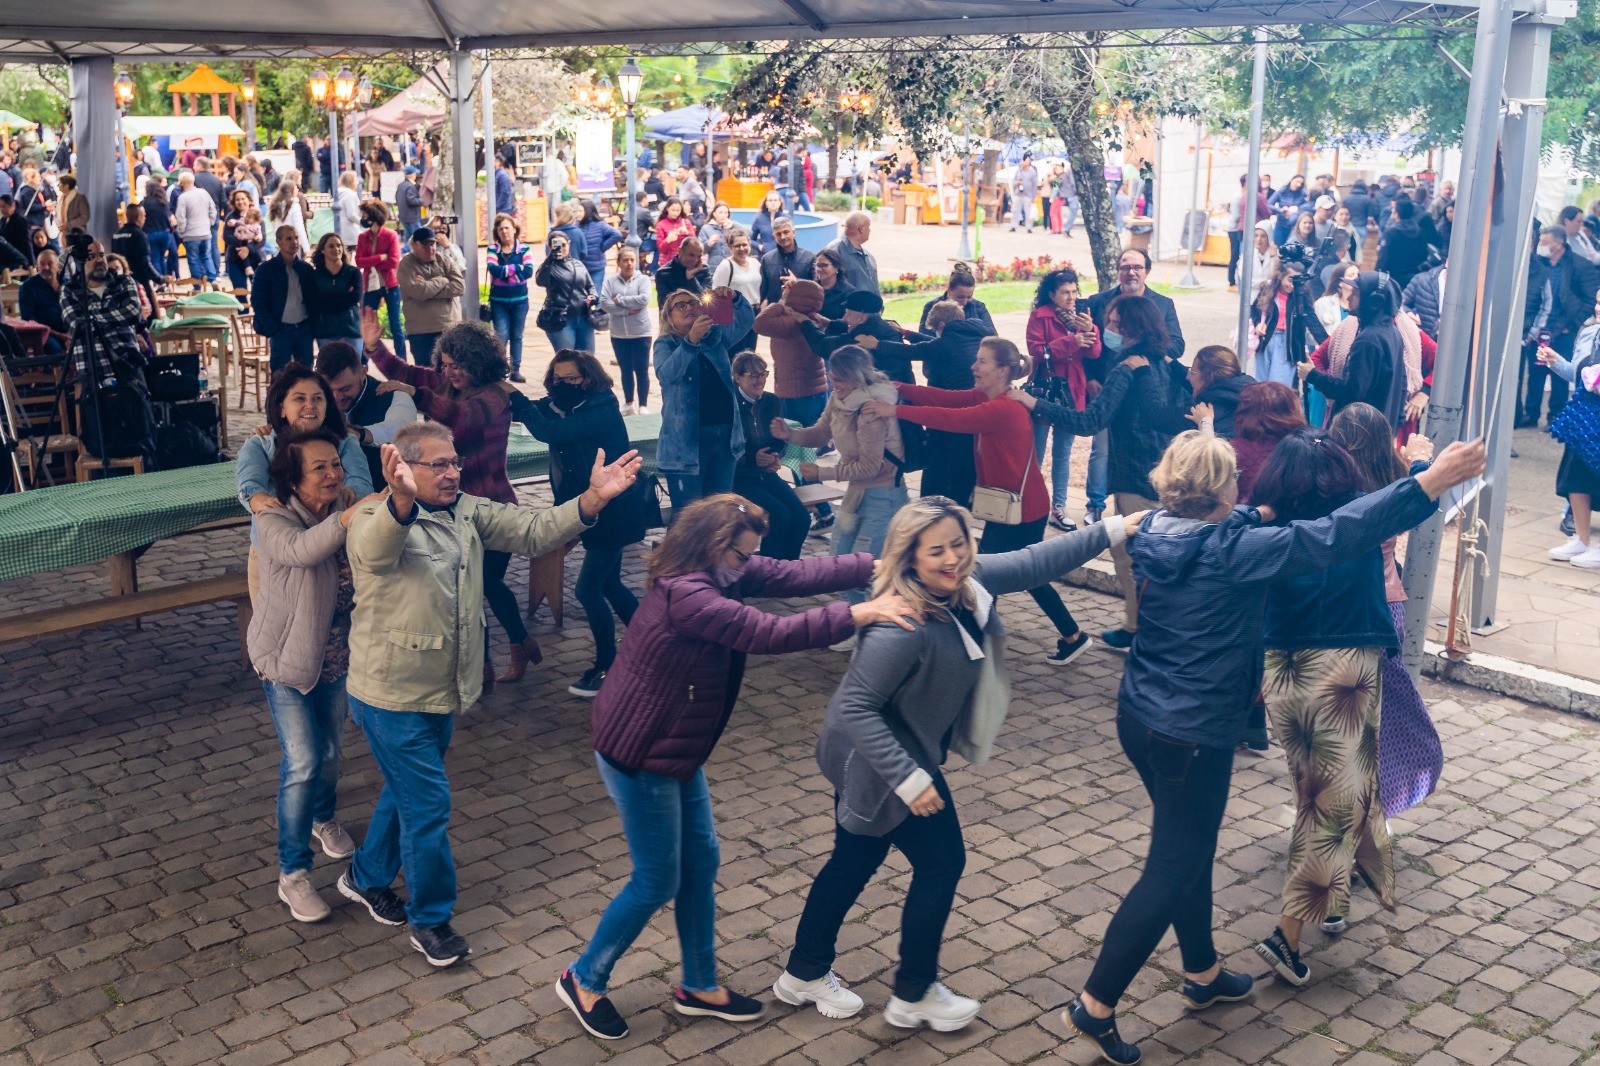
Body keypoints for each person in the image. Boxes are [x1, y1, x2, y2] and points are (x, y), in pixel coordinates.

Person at [1062, 432, 1487, 1066]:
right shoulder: (1238, 550)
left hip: (1139, 716)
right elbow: (1338, 532)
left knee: (1188, 848)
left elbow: (1242, 521)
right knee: (1172, 867)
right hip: (1192, 732)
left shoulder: (1156, 530)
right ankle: (1096, 1004)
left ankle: (1203, 973)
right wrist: (1428, 481)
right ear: (1222, 491)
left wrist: (1262, 509)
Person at [555, 494, 916, 1042]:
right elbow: (767, 633)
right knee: (657, 879)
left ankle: (699, 986)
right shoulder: (689, 595)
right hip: (641, 752)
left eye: (751, 555)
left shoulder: (722, 570)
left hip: (675, 748)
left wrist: (878, 566)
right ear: (711, 545)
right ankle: (582, 978)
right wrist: (858, 613)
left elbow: (795, 574)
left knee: (700, 863)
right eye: (742, 555)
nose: (749, 564)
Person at [777, 495, 1139, 1029]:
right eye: (936, 551)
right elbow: (855, 707)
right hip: (877, 765)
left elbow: (1035, 560)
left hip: (895, 758)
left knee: (854, 861)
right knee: (940, 862)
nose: (952, 558)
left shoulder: (967, 584)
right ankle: (913, 992)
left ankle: (805, 972)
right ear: (909, 558)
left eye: (959, 544)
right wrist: (907, 778)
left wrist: (1115, 527)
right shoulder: (901, 624)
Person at [341, 424, 640, 968]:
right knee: (427, 803)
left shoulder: (468, 511)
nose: (452, 472)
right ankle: (431, 920)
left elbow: (532, 530)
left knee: (407, 790)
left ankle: (364, 876)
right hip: (389, 694)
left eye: (455, 461)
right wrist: (400, 502)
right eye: (438, 464)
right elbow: (375, 553)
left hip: (442, 688)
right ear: (402, 468)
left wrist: (592, 499)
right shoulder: (372, 516)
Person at [1250, 428, 1417, 985]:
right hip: (1342, 671)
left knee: (1316, 794)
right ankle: (1288, 934)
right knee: (1333, 806)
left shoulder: (1270, 527)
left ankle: (1334, 900)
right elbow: (1412, 495)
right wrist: (1420, 464)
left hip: (1284, 669)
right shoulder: (1357, 520)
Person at [362, 314, 539, 683]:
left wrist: (417, 395)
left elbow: (462, 418)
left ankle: (498, 659)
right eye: (444, 365)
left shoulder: (496, 395)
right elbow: (407, 373)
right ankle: (501, 655)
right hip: (458, 507)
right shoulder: (446, 385)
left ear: (478, 361)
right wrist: (375, 349)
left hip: (493, 507)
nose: (449, 373)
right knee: (473, 587)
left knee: (481, 585)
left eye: (457, 366)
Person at [249, 428, 375, 923]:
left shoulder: (346, 504)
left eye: (335, 464)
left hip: (339, 660)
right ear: (293, 479)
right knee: (303, 760)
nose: (332, 473)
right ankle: (293, 874)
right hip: (286, 661)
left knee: (331, 751)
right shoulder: (273, 518)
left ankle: (323, 817)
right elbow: (302, 550)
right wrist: (349, 517)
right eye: (319, 467)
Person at [1039, 294, 1187, 652]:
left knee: (1133, 560)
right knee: (1142, 556)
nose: (1109, 330)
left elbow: (1091, 420)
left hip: (1137, 477)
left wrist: (1037, 404)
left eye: (1116, 324)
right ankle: (1139, 627)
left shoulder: (1129, 368)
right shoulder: (1163, 362)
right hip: (1165, 472)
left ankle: (1144, 633)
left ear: (1134, 328)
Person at [1328, 405, 1446, 827]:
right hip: (1384, 607)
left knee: (1342, 714)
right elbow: (1423, 500)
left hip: (1339, 608)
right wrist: (1419, 461)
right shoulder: (1393, 485)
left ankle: (1349, 806)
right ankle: (1377, 805)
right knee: (1382, 712)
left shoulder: (1330, 485)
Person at [508, 350, 647, 696]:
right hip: (595, 509)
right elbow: (543, 410)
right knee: (610, 584)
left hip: (614, 511)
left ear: (588, 378)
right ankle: (651, 646)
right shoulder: (566, 403)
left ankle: (607, 666)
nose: (563, 384)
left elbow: (551, 431)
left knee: (588, 589)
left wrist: (518, 400)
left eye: (571, 378)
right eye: (557, 378)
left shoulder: (601, 406)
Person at [236, 364, 375, 601]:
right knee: (272, 619)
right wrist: (259, 501)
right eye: (299, 398)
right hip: (274, 554)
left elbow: (360, 485)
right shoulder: (261, 444)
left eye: (318, 398)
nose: (310, 405)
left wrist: (350, 495)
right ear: (281, 408)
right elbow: (250, 485)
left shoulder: (345, 443)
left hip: (336, 551)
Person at [769, 345, 906, 576]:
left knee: (864, 571)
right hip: (857, 492)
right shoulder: (840, 399)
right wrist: (790, 434)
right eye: (832, 378)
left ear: (857, 377)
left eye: (840, 379)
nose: (834, 385)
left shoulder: (870, 409)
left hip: (883, 495)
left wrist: (822, 473)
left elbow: (869, 467)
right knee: (838, 562)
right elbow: (821, 433)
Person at [655, 287, 756, 511]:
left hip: (725, 437)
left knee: (719, 511)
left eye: (694, 303)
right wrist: (690, 341)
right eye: (680, 306)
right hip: (686, 445)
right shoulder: (665, 344)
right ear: (669, 318)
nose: (689, 308)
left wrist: (735, 298)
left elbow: (746, 321)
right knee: (688, 515)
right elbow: (667, 375)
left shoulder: (715, 336)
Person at [1026, 267, 1102, 529]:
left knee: (1063, 452)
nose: (1071, 297)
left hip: (1073, 388)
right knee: (1036, 449)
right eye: (1065, 292)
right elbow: (1036, 351)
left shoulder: (1082, 318)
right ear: (1051, 294)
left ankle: (1058, 507)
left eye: (1073, 292)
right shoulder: (1040, 316)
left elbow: (1094, 354)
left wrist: (1091, 331)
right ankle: (1030, 502)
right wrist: (1072, 342)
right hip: (1046, 387)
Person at [1297, 271, 1411, 428]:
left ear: (1373, 301)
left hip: (1358, 434)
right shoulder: (1391, 332)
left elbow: (1351, 392)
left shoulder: (1368, 340)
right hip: (1377, 431)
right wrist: (1396, 425)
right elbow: (1402, 384)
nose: (1349, 298)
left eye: (1355, 293)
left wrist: (1312, 375)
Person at [730, 352, 809, 561]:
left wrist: (775, 456)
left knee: (801, 517)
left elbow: (779, 438)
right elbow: (724, 448)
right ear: (737, 378)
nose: (760, 380)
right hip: (739, 478)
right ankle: (768, 569)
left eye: (763, 374)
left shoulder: (771, 400)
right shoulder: (730, 403)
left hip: (765, 473)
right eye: (753, 376)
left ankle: (787, 567)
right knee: (779, 515)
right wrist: (751, 459)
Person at [1539, 304, 1600, 568]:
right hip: (1584, 419)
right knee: (1575, 479)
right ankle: (1582, 540)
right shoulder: (1590, 333)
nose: (1598, 308)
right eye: (1598, 301)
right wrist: (1555, 361)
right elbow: (1577, 375)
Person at [316, 340, 419, 489]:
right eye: (329, 390)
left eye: (345, 389)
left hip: (385, 493)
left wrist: (359, 433)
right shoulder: (314, 399)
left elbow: (400, 429)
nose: (336, 397)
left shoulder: (395, 396)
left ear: (363, 373)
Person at [1523, 226, 1599, 427]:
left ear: (1558, 244)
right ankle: (1531, 413)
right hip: (1539, 328)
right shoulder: (1539, 264)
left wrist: (1571, 325)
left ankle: (1555, 415)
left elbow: (1590, 298)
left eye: (1544, 242)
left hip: (1565, 328)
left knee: (1561, 376)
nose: (1540, 246)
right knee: (1536, 372)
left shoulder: (1579, 265)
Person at [398, 227, 465, 368]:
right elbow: (419, 292)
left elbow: (459, 287)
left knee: (452, 373)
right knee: (426, 374)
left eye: (433, 244)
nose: (430, 248)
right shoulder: (406, 265)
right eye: (425, 245)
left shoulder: (444, 259)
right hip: (421, 332)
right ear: (414, 245)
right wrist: (442, 280)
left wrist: (428, 286)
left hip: (449, 327)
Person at [253, 227, 318, 373]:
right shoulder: (266, 269)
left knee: (306, 374)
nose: (294, 242)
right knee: (279, 375)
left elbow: (314, 300)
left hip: (304, 329)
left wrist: (312, 326)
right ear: (278, 241)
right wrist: (272, 327)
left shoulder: (305, 269)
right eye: (289, 238)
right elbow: (258, 301)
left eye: (296, 238)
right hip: (281, 330)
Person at [600, 245, 653, 414]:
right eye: (625, 260)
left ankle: (643, 405)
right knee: (626, 369)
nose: (629, 263)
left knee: (641, 369)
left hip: (641, 333)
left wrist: (619, 299)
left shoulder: (643, 280)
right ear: (618, 262)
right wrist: (625, 310)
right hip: (619, 334)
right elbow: (605, 303)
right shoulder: (610, 281)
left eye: (632, 260)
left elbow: (644, 300)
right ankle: (629, 402)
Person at [355, 201, 407, 363]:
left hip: (390, 285)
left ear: (373, 216)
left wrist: (371, 261)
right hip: (370, 286)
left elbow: (393, 261)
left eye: (365, 215)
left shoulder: (390, 235)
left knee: (395, 324)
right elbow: (359, 262)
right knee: (367, 324)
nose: (362, 218)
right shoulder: (363, 237)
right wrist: (380, 257)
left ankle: (402, 362)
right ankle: (363, 363)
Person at [485, 213, 534, 383]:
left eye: (507, 228)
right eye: (501, 229)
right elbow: (494, 270)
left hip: (520, 301)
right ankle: (500, 370)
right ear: (497, 232)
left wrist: (505, 274)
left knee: (517, 336)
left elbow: (529, 271)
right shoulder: (493, 249)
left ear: (514, 229)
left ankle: (515, 370)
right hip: (499, 302)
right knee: (501, 336)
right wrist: (517, 268)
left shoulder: (524, 249)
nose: (504, 231)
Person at [535, 231, 598, 354]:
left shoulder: (578, 264)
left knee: (588, 358)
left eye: (563, 245)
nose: (561, 248)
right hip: (562, 319)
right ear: (550, 247)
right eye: (556, 245)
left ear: (569, 244)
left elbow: (590, 286)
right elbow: (540, 281)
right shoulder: (549, 267)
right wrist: (550, 258)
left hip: (584, 318)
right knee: (567, 358)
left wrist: (593, 297)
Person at [307, 233, 362, 354]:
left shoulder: (353, 272)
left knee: (354, 365)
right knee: (329, 366)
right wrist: (344, 297)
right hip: (325, 331)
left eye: (339, 245)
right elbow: (313, 302)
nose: (336, 249)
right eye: (331, 246)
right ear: (322, 250)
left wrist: (326, 299)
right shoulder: (315, 276)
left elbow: (355, 297)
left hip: (351, 330)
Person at [1184, 345, 1254, 438]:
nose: (1187, 377)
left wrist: (1205, 423)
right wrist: (1171, 361)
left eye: (1192, 373)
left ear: (1207, 377)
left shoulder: (1207, 411)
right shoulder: (1242, 391)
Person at [1251, 264, 1302, 388]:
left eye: (1296, 281)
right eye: (1289, 280)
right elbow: (1254, 310)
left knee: (1278, 386)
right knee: (1260, 383)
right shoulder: (1268, 290)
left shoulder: (1300, 295)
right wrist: (1258, 324)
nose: (1292, 285)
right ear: (1280, 276)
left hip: (1287, 344)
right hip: (1266, 340)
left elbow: (1308, 321)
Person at [712, 229, 762, 351]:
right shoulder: (725, 266)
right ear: (730, 247)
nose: (742, 248)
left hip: (753, 315)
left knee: (750, 353)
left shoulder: (755, 263)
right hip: (735, 317)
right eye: (737, 246)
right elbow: (716, 296)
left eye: (744, 245)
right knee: (735, 353)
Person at [918, 262, 994, 335]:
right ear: (949, 289)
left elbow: (992, 336)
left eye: (969, 297)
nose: (964, 302)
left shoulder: (978, 307)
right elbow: (924, 336)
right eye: (960, 297)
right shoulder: (931, 307)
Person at [1375, 199, 1435, 289]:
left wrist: (1377, 276)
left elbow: (1383, 258)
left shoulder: (1391, 232)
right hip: (1414, 277)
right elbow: (1424, 255)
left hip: (1393, 278)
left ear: (1397, 214)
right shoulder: (1421, 232)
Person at [111, 202, 159, 311]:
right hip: (140, 282)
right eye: (144, 215)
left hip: (122, 283)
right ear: (138, 217)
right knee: (149, 313)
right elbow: (145, 262)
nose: (145, 218)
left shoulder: (116, 235)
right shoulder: (140, 235)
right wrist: (159, 278)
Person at [1227, 175, 1272, 291]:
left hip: (1241, 230)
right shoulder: (1258, 196)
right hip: (1254, 229)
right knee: (1251, 258)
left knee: (1242, 258)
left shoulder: (1244, 195)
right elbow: (1267, 213)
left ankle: (1237, 283)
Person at [758, 216, 816, 307]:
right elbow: (764, 291)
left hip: (801, 310)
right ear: (774, 237)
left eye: (786, 232)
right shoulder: (767, 260)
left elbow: (816, 289)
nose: (783, 237)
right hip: (776, 311)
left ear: (793, 232)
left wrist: (797, 283)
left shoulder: (809, 258)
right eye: (778, 234)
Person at [173, 171, 219, 284]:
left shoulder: (183, 197)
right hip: (205, 231)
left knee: (193, 259)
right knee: (206, 256)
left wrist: (181, 231)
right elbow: (213, 209)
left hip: (191, 234)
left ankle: (197, 283)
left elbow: (181, 217)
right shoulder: (203, 193)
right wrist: (210, 223)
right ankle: (212, 279)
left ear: (182, 183)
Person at [17, 248, 67, 351]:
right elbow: (28, 319)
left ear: (58, 266)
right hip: (44, 333)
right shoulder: (28, 287)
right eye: (42, 264)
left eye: (50, 263)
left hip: (70, 331)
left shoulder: (67, 284)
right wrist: (60, 335)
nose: (46, 267)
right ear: (37, 267)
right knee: (55, 349)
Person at [824, 211, 879, 294]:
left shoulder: (868, 256)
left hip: (870, 302)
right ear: (861, 228)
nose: (870, 230)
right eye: (868, 227)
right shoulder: (834, 251)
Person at [222, 189, 263, 291]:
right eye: (237, 200)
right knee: (240, 291)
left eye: (243, 199)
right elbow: (227, 237)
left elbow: (262, 238)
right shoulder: (231, 217)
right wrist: (243, 243)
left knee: (259, 290)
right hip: (234, 258)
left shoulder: (256, 215)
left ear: (249, 200)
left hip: (255, 257)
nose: (240, 202)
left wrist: (248, 248)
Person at [576, 199, 624, 287]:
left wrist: (602, 247)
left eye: (580, 211)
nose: (578, 214)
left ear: (587, 211)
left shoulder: (600, 225)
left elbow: (617, 235)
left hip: (596, 268)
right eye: (577, 211)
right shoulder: (576, 226)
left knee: (596, 293)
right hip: (580, 267)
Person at [654, 236, 712, 306]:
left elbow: (706, 302)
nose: (695, 260)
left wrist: (691, 279)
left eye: (699, 256)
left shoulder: (704, 270)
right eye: (691, 255)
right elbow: (664, 305)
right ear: (680, 251)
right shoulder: (663, 273)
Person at [267, 178, 311, 260]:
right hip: (292, 243)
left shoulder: (275, 205)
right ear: (291, 191)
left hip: (280, 242)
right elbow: (300, 229)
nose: (297, 190)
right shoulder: (294, 206)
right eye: (296, 188)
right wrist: (307, 250)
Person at [653, 197, 696, 270]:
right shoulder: (661, 224)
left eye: (678, 211)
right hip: (667, 263)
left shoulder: (686, 222)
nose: (676, 213)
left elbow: (695, 243)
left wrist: (687, 233)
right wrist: (667, 240)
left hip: (683, 262)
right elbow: (661, 249)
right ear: (667, 209)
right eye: (673, 210)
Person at [698, 200, 738, 274]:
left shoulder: (731, 228)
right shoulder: (706, 228)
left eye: (726, 213)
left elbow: (748, 234)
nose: (723, 215)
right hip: (713, 269)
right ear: (714, 214)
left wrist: (733, 224)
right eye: (720, 212)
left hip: (730, 267)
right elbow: (700, 250)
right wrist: (709, 242)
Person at [1268, 174, 1309, 246]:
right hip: (1281, 223)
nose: (1298, 185)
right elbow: (1269, 204)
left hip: (1294, 225)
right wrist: (1280, 210)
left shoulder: (1303, 194)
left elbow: (1306, 207)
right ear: (1292, 180)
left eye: (1301, 183)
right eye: (1297, 181)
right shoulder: (1282, 191)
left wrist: (1298, 209)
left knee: (1290, 245)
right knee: (1278, 246)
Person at [1010, 153, 1040, 233]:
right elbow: (1013, 182)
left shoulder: (1032, 172)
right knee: (1015, 210)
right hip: (1018, 193)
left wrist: (1033, 196)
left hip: (1028, 194)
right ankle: (1013, 226)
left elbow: (1034, 184)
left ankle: (1029, 227)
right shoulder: (1018, 171)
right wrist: (1017, 183)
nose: (1023, 162)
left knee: (1028, 211)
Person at [750, 190, 786, 258]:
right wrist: (759, 246)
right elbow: (751, 240)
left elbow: (791, 238)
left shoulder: (786, 218)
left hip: (782, 255)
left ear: (780, 203)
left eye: (775, 200)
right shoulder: (759, 219)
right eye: (770, 200)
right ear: (766, 203)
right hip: (765, 256)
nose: (773, 203)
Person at [395, 166, 425, 241]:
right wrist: (422, 200)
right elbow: (412, 201)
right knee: (418, 237)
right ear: (412, 175)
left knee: (409, 238)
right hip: (412, 216)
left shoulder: (401, 185)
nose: (416, 175)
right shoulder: (410, 187)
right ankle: (407, 248)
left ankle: (407, 248)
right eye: (415, 174)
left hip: (403, 215)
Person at [334, 171, 361, 247]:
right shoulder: (350, 195)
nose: (357, 182)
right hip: (350, 231)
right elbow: (352, 214)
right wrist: (362, 223)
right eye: (355, 180)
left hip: (341, 229)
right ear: (351, 182)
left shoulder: (339, 194)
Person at [493, 154, 517, 221]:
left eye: (493, 161)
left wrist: (498, 205)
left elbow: (505, 192)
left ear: (497, 162)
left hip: (503, 209)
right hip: (502, 208)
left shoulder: (502, 175)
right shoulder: (498, 174)